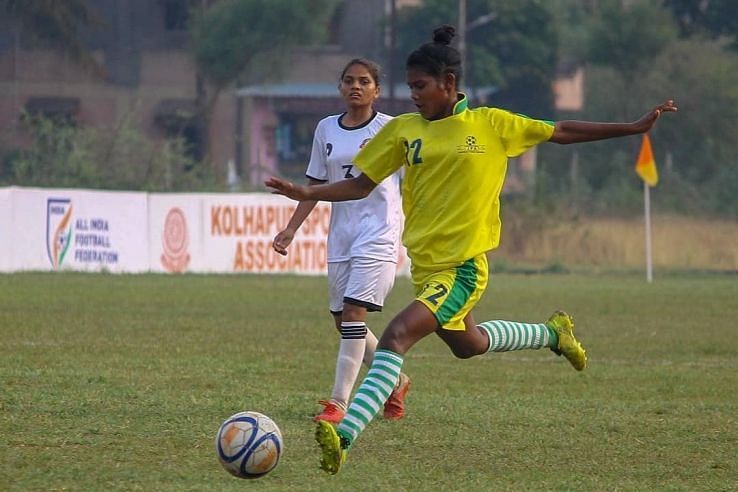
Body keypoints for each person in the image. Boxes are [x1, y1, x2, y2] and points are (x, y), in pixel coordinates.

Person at [266, 25, 678, 475]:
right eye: (410, 87)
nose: (414, 95)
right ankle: (552, 334)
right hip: (425, 268)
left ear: (448, 83)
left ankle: (343, 436)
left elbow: (560, 130)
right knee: (469, 345)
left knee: (395, 336)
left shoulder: (490, 125)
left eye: (421, 87)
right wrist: (305, 192)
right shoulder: (404, 131)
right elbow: (360, 183)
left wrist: (633, 128)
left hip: (462, 269)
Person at [271, 58, 410, 424]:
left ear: (376, 90)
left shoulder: (392, 129)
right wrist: (291, 228)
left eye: (364, 81)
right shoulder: (325, 129)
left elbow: (414, 179)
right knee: (343, 321)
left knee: (353, 314)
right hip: (342, 236)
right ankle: (396, 380)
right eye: (349, 80)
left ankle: (338, 404)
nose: (356, 86)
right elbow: (315, 185)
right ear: (340, 87)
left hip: (378, 233)